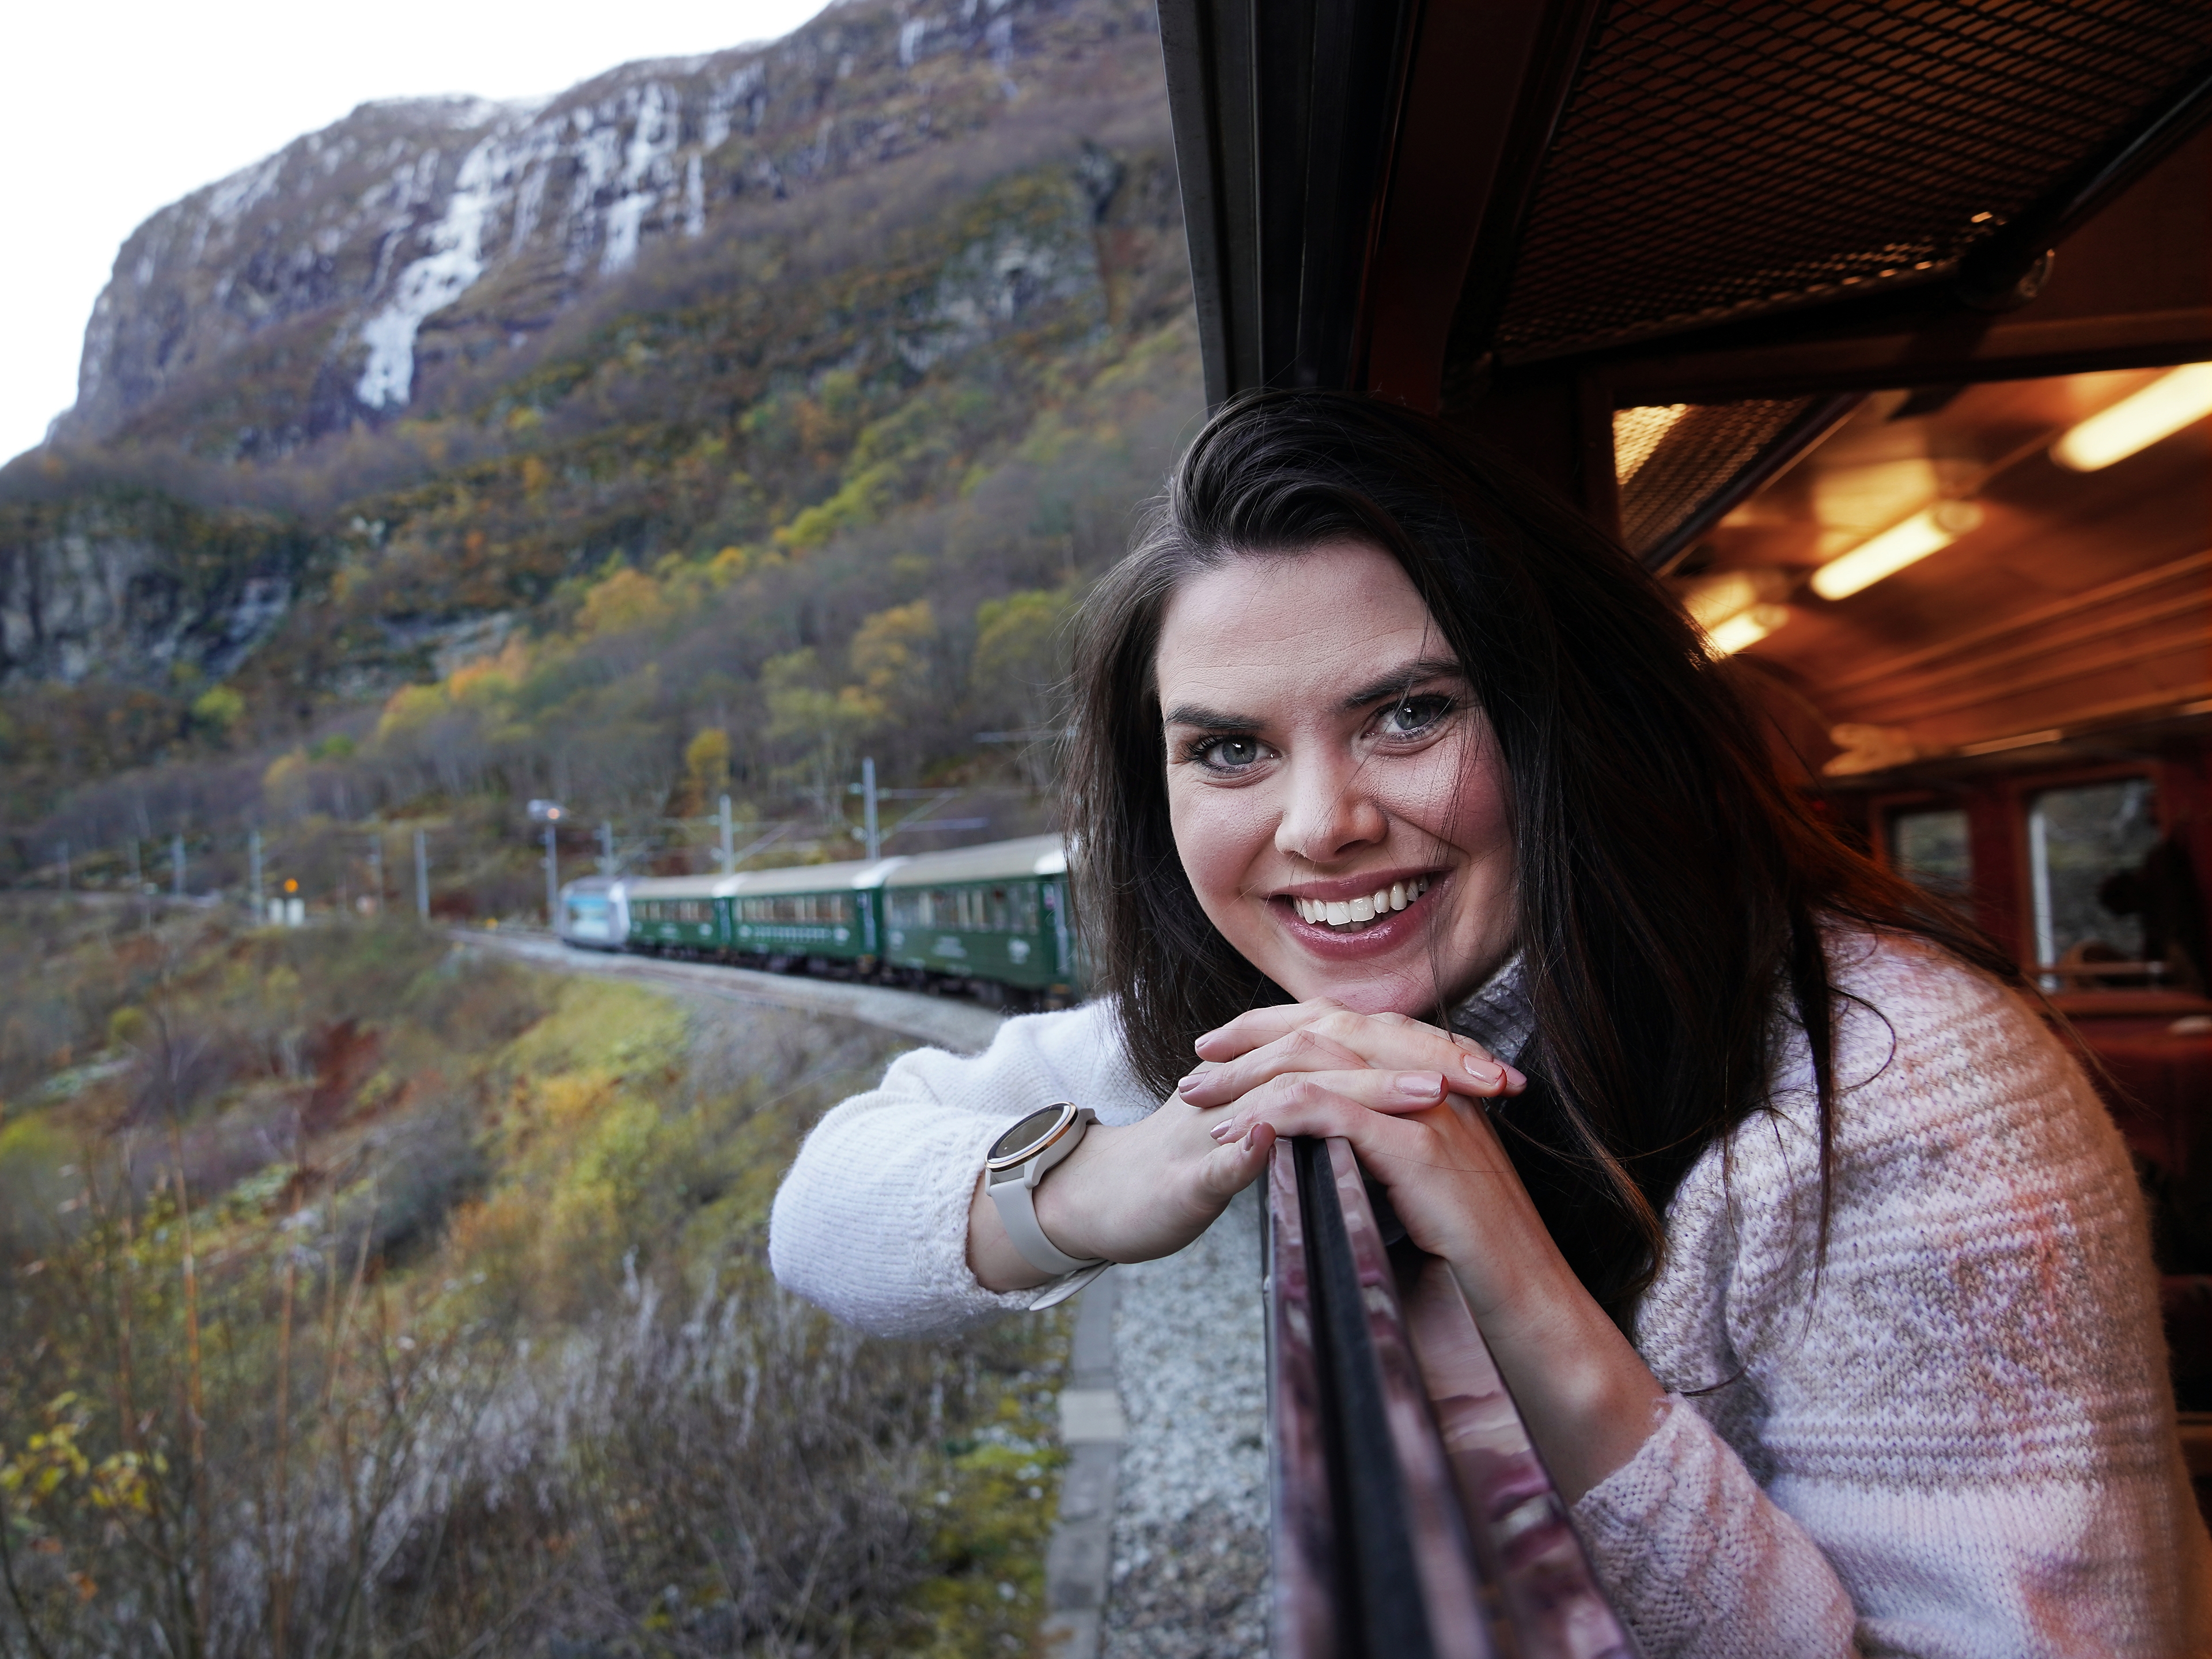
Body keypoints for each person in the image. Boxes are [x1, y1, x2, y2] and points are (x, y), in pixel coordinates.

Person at [770, 389, 2211, 1656]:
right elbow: (822, 1211)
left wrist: (1523, 1287)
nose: (1322, 825)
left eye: (1408, 715)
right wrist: (1108, 1183)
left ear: (1561, 718)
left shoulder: (1905, 1084)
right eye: (1229, 749)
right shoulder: (1265, 1027)